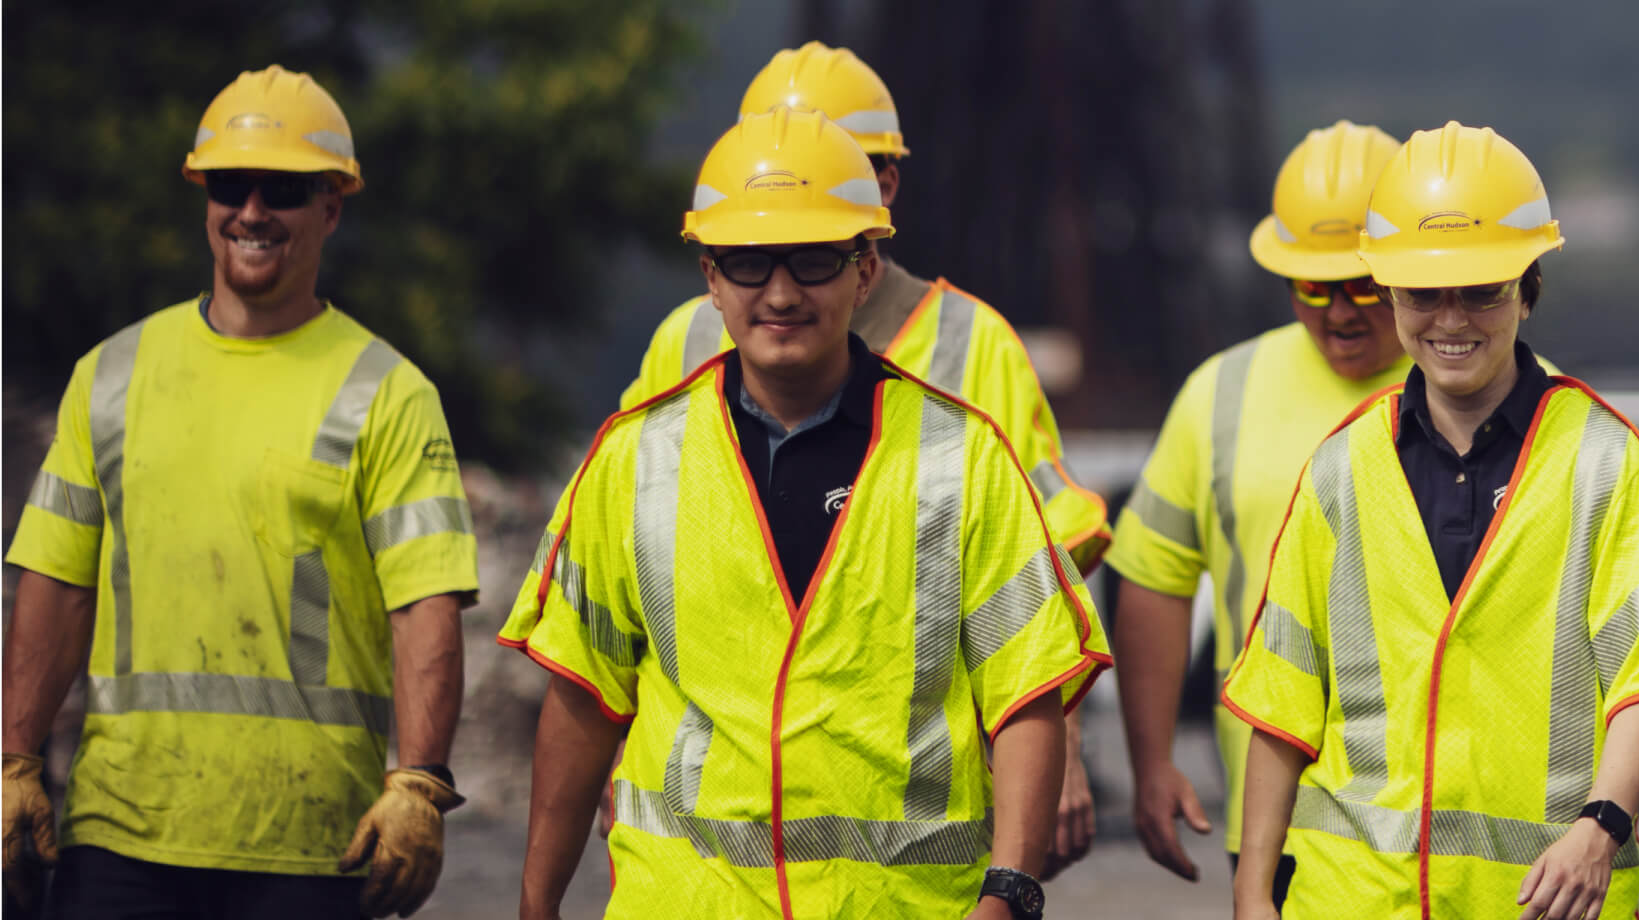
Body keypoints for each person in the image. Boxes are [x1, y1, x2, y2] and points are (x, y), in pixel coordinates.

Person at [500, 108, 1108, 919]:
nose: (780, 293)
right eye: (750, 264)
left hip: (903, 904)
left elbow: (1025, 690)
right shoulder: (635, 461)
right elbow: (584, 696)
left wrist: (1008, 893)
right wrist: (536, 906)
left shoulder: (960, 458)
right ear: (711, 277)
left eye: (815, 261)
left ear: (865, 270)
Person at [1220, 122, 1639, 920]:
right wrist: (1253, 893)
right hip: (1351, 902)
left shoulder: (1604, 461)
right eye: (1424, 292)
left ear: (1528, 292)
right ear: (1389, 293)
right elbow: (1283, 699)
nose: (1451, 319)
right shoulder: (1342, 466)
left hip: (1544, 901)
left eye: (1484, 289)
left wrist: (1601, 827)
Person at [2, 66, 475, 919]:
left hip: (311, 848)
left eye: (284, 189)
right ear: (204, 196)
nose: (253, 211)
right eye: (230, 184)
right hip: (121, 836)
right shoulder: (110, 377)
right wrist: (15, 762)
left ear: (331, 206)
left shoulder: (388, 394)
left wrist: (419, 781)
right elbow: (57, 583)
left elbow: (424, 605)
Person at [618, 42, 1107, 573]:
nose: (807, 182)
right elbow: (620, 525)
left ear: (886, 184)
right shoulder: (686, 338)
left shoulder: (971, 342)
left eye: (836, 160)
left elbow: (1041, 558)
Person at [1103, 120, 1408, 896]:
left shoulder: (1493, 390)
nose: (1339, 312)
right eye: (1313, 286)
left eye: (1365, 286)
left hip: (1450, 820)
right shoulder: (1222, 393)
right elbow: (1153, 577)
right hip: (1280, 820)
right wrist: (1153, 759)